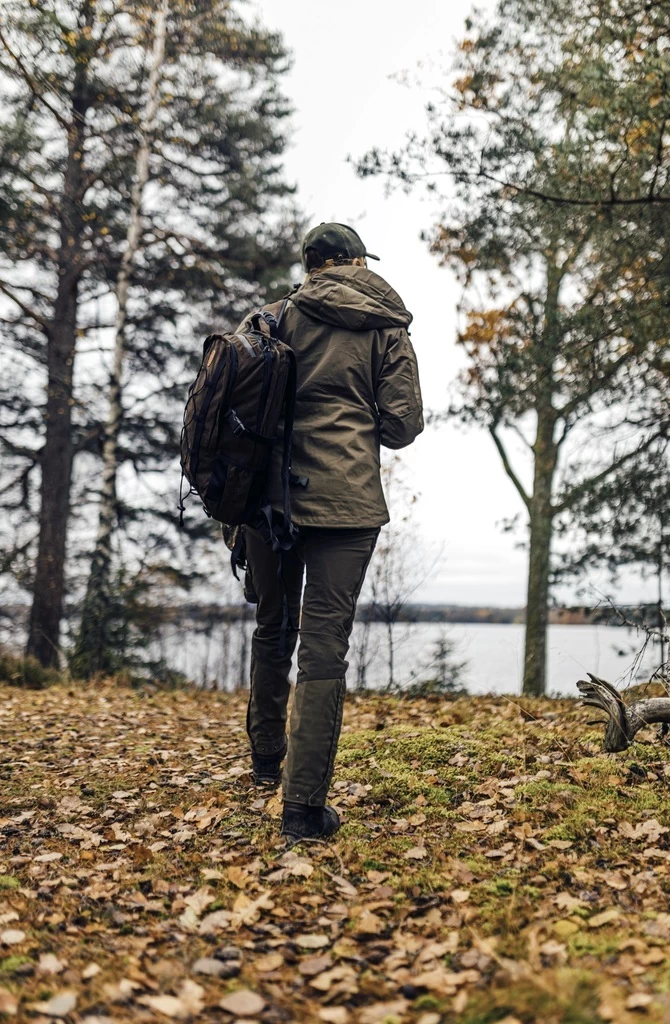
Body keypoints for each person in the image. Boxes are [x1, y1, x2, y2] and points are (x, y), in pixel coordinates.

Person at [241, 222, 423, 842]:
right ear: (352, 262)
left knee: (273, 625)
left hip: (267, 499)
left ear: (312, 264)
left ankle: (266, 760)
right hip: (345, 500)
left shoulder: (269, 318)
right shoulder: (385, 326)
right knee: (324, 648)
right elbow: (402, 426)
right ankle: (303, 809)